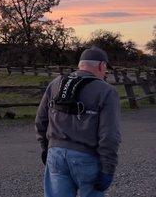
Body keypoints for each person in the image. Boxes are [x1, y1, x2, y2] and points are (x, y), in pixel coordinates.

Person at [35, 46, 121, 197]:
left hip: (55, 154)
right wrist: (108, 168)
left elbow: (41, 120)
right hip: (86, 158)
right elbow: (110, 134)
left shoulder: (56, 83)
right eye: (105, 67)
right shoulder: (106, 91)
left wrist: (46, 147)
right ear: (101, 65)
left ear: (81, 64)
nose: (105, 72)